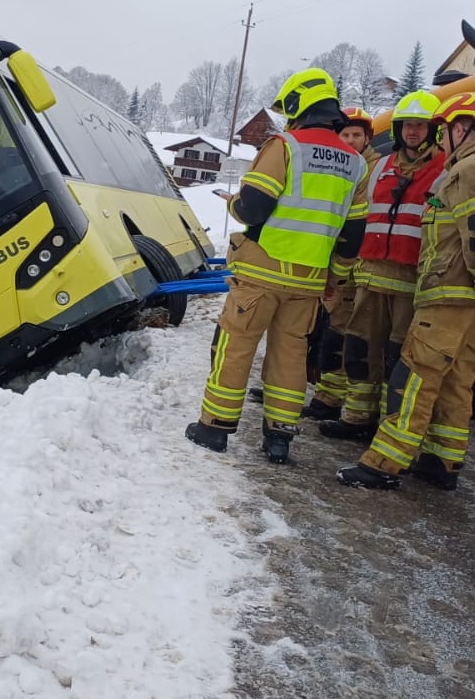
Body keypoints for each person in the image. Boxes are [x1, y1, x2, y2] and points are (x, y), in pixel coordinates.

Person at [337, 92, 475, 490]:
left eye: (445, 129)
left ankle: (385, 462)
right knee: (458, 381)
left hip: (451, 295)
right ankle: (443, 461)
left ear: (460, 128)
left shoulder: (467, 170)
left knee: (415, 376)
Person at [187, 68, 366, 465]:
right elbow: (353, 236)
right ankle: (280, 438)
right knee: (290, 356)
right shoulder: (356, 163)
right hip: (309, 282)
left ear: (301, 104)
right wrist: (334, 278)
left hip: (261, 275)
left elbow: (253, 207)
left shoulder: (285, 146)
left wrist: (232, 203)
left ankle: (214, 428)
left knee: (236, 346)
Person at [323, 91, 446, 441]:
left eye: (420, 126)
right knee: (360, 349)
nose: (413, 132)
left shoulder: (444, 170)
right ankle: (357, 417)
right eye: (408, 125)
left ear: (433, 130)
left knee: (398, 358)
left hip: (411, 281)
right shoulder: (378, 168)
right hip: (370, 276)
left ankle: (388, 427)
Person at [251, 105, 377, 419]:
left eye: (356, 135)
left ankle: (331, 401)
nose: (349, 139)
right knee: (309, 338)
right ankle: (311, 397)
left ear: (367, 138)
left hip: (348, 267)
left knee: (332, 338)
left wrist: (337, 274)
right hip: (324, 266)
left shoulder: (365, 169)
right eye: (345, 133)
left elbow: (354, 226)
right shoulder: (344, 165)